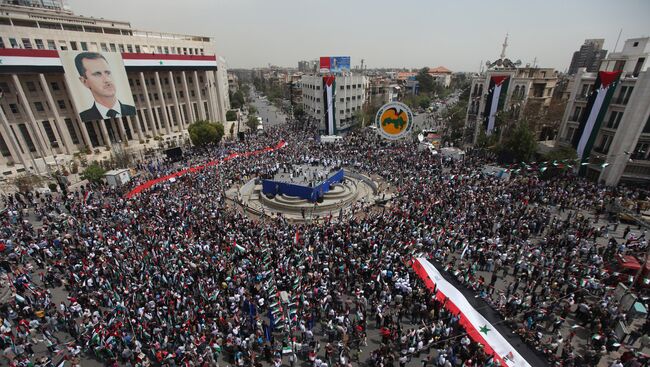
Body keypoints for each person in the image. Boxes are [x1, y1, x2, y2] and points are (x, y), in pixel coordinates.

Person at [75, 52, 135, 121]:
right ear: (84, 81)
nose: (107, 80)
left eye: (108, 73)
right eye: (97, 74)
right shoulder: (84, 117)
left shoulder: (132, 110)